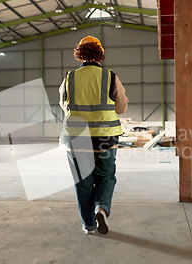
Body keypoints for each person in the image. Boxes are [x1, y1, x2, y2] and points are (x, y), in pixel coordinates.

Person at [58, 36, 129, 235]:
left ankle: (88, 225)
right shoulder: (110, 76)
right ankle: (102, 208)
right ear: (100, 54)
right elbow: (121, 108)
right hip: (105, 136)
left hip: (76, 136)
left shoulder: (69, 78)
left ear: (79, 54)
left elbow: (64, 106)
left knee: (83, 181)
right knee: (106, 176)